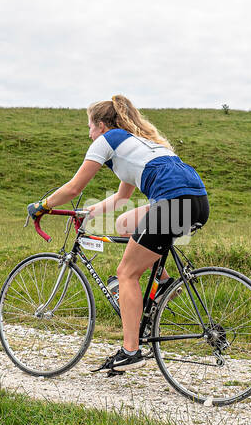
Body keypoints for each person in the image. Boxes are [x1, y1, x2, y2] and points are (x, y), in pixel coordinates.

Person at [27, 95, 209, 373]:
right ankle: (162, 283)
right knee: (125, 223)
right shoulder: (134, 145)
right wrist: (90, 212)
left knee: (126, 274)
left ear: (101, 125)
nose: (88, 133)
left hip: (172, 202)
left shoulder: (107, 141)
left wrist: (43, 205)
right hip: (195, 202)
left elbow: (74, 188)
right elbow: (122, 197)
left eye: (89, 126)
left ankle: (130, 351)